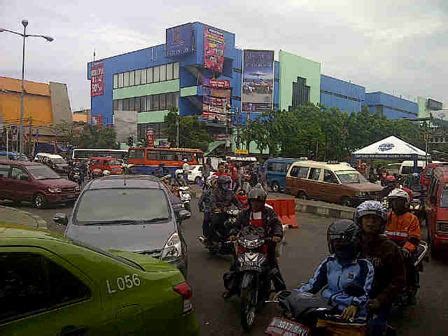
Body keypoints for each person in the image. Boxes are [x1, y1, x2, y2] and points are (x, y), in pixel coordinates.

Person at [295, 219, 374, 321]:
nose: (338, 244)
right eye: (336, 241)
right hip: (326, 308)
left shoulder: (364, 266)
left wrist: (355, 305)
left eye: (342, 241)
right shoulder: (329, 262)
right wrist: (295, 295)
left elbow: (365, 292)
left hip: (351, 314)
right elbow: (313, 285)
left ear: (355, 242)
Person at [223, 184, 286, 297]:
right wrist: (232, 233)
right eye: (253, 201)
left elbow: (276, 224)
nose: (255, 204)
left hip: (264, 246)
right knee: (235, 266)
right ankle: (232, 289)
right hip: (246, 246)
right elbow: (236, 225)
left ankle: (283, 295)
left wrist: (277, 234)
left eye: (258, 202)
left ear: (262, 202)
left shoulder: (269, 213)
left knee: (273, 268)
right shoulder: (244, 213)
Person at [354, 201, 406, 336]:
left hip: (377, 300)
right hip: (350, 297)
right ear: (359, 220)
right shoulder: (352, 242)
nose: (370, 222)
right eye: (367, 218)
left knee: (375, 328)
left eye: (375, 219)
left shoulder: (390, 248)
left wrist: (380, 299)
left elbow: (399, 279)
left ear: (381, 223)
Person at [386, 188, 422, 302]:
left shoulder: (412, 218)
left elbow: (414, 238)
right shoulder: (387, 216)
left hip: (405, 249)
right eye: (393, 201)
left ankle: (411, 288)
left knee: (408, 265)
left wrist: (406, 249)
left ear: (405, 203)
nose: (395, 204)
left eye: (398, 201)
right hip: (389, 248)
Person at [209, 175, 241, 243]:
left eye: (227, 183)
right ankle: (211, 239)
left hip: (228, 212)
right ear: (220, 184)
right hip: (218, 212)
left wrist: (242, 209)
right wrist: (216, 208)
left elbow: (237, 202)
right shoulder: (214, 192)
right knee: (215, 222)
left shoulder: (231, 192)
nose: (226, 185)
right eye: (225, 184)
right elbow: (212, 202)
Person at [198, 176, 217, 242]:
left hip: (219, 211)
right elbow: (200, 202)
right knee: (206, 221)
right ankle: (206, 237)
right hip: (209, 211)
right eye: (215, 182)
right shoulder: (207, 192)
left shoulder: (221, 192)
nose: (217, 184)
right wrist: (201, 209)